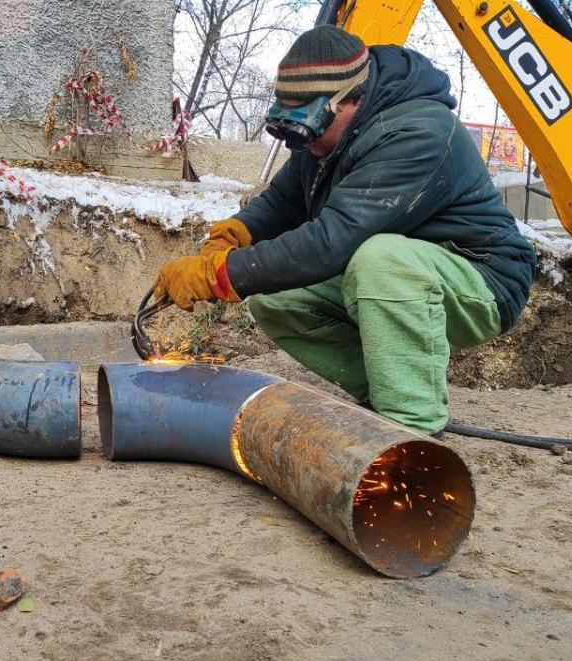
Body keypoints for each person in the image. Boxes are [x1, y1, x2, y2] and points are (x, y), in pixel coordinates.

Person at [152, 25, 537, 436]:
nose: (303, 143)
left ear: (351, 99)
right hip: (402, 275)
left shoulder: (418, 133)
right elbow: (284, 201)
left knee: (380, 258)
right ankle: (389, 391)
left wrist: (220, 275)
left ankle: (410, 428)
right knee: (275, 300)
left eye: (309, 127)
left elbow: (329, 244)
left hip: (482, 280)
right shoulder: (328, 139)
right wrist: (236, 232)